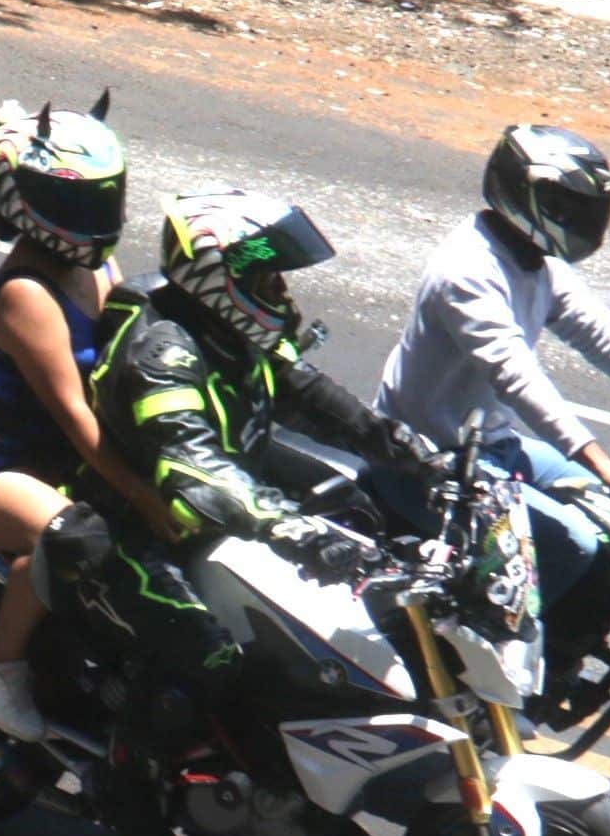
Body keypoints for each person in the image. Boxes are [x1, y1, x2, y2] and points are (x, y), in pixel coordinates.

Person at [78, 195, 449, 755]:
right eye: (269, 279)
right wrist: (289, 527)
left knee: (360, 515)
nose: (283, 293)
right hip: (138, 529)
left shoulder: (237, 335)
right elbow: (191, 466)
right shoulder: (163, 353)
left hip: (229, 511)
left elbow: (330, 410)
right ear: (218, 280)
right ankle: (127, 784)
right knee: (208, 659)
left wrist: (427, 460)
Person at [375, 125, 610, 690]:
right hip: (423, 461)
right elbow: (519, 379)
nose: (579, 221)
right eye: (567, 207)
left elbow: (597, 330)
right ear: (524, 196)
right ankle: (506, 683)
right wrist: (607, 467)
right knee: (573, 541)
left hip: (491, 446)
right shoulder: (467, 272)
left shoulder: (534, 261)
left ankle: (568, 640)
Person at [0, 100, 156, 743]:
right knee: (70, 539)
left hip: (47, 455)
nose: (98, 216)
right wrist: (143, 493)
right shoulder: (27, 294)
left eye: (105, 199)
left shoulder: (93, 265)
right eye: (79, 203)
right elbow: (76, 415)